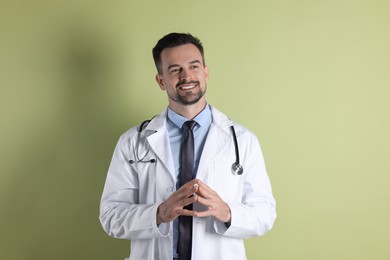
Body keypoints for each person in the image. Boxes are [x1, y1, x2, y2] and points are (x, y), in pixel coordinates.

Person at [99, 32, 276, 260]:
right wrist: (159, 213)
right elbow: (111, 216)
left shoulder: (242, 141)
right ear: (161, 81)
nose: (187, 76)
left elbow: (265, 213)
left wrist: (227, 212)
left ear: (206, 72)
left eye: (194, 67)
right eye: (175, 70)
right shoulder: (133, 142)